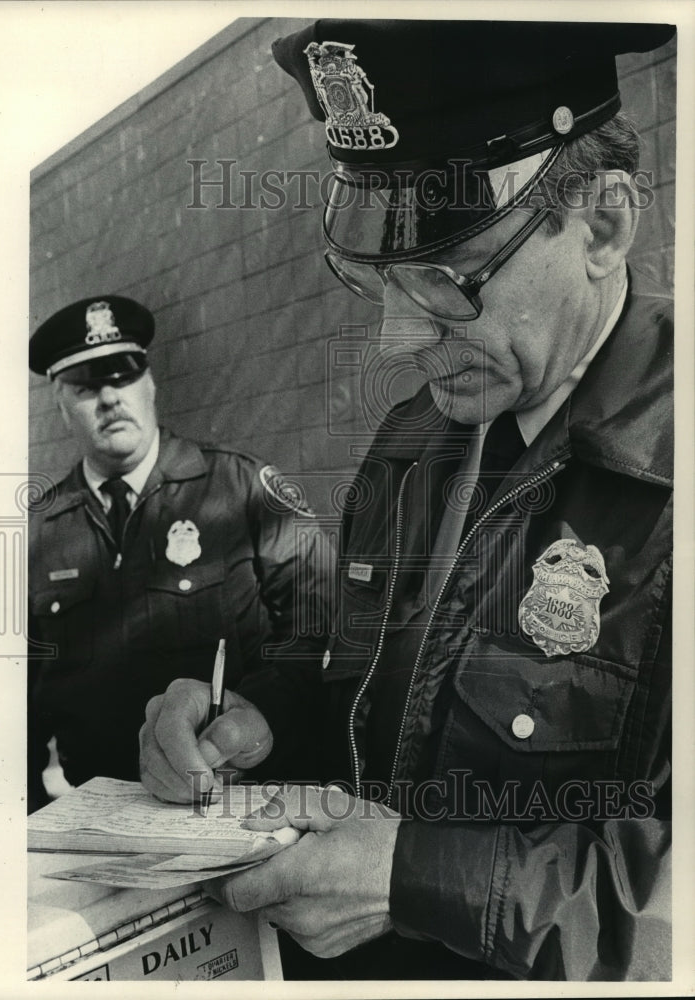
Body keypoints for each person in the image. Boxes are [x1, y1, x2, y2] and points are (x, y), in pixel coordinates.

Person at [139, 20, 675, 980]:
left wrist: (413, 879)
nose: (396, 342)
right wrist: (257, 719)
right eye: (379, 281)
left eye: (445, 280)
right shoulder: (412, 442)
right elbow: (375, 682)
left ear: (601, 225)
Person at [27, 294, 332, 812]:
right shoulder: (35, 531)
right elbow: (12, 702)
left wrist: (259, 722)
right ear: (60, 404)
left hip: (239, 802)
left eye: (122, 377)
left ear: (150, 384)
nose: (109, 399)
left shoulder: (242, 489)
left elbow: (320, 637)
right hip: (102, 821)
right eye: (85, 387)